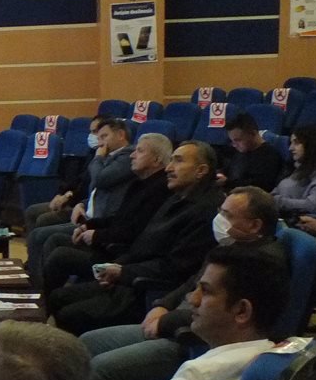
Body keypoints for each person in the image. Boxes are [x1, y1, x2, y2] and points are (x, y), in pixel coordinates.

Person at [82, 187, 283, 380]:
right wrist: (162, 305)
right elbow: (192, 283)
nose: (219, 219)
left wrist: (165, 322)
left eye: (227, 215)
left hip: (192, 337)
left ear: (254, 225)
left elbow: (220, 315)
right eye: (220, 211)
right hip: (174, 321)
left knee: (103, 370)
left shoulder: (259, 264)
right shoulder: (231, 247)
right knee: (88, 342)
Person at [89, 243, 290, 380]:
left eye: (205, 291)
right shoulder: (275, 356)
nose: (192, 299)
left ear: (242, 311)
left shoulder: (201, 374)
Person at [46, 141, 224, 336]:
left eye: (178, 161)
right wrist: (117, 267)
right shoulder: (176, 197)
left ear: (201, 171)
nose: (169, 168)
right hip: (128, 275)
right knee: (57, 297)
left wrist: (123, 272)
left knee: (68, 313)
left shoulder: (205, 212)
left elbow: (175, 268)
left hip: (145, 291)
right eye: (171, 160)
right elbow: (142, 245)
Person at [40, 132, 171, 296]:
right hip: (110, 242)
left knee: (60, 256)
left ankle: (41, 301)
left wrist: (97, 235)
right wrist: (88, 225)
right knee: (55, 239)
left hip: (121, 257)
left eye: (140, 151)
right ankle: (37, 294)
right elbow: (119, 219)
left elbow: (135, 232)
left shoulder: (160, 190)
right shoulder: (139, 184)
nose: (132, 155)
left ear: (156, 160)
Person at [26, 118, 134, 278]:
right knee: (37, 229)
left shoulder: (126, 157)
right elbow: (94, 191)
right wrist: (81, 204)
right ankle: (35, 277)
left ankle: (39, 284)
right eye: (98, 137)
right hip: (86, 213)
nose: (100, 142)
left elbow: (100, 180)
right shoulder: (107, 156)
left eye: (104, 136)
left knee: (43, 235)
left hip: (100, 222)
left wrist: (98, 158)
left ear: (120, 135)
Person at [272, 125, 316, 222]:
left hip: (293, 221)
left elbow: (314, 205)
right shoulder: (296, 167)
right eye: (291, 143)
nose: (290, 148)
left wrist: (278, 201)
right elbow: (276, 193)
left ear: (311, 145)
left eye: (296, 143)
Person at [216, 113, 283, 192]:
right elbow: (230, 171)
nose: (234, 145)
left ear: (253, 133)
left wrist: (227, 182)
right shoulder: (241, 151)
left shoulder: (269, 156)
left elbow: (259, 186)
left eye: (238, 140)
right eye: (232, 141)